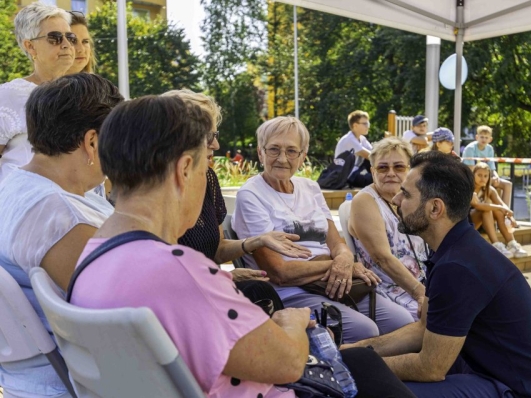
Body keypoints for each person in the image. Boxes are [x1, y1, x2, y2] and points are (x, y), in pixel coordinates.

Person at [70, 96, 417, 398]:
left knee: (363, 358)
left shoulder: (93, 254)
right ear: (184, 170)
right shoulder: (179, 270)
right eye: (206, 164)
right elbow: (288, 362)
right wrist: (291, 321)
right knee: (365, 365)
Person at [342, 151, 531, 398]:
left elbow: (431, 368)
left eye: (406, 194)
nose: (395, 199)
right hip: (492, 377)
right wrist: (354, 351)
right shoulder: (458, 249)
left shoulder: (458, 267)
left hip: (516, 391)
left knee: (375, 390)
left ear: (435, 208)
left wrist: (355, 366)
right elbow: (422, 330)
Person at [233, 116, 415, 343]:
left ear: (302, 156)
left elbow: (337, 243)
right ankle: (345, 377)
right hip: (292, 293)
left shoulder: (310, 188)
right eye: (273, 150)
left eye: (291, 151)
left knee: (403, 321)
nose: (282, 158)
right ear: (260, 153)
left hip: (332, 284)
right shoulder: (251, 195)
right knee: (364, 330)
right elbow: (279, 272)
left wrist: (344, 259)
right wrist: (336, 264)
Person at [0, 74, 123, 398]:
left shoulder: (18, 187)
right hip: (75, 384)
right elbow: (128, 301)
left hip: (39, 381)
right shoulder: (56, 214)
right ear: (93, 142)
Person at [162, 89, 312, 307]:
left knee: (260, 291)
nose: (216, 145)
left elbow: (216, 248)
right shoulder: (156, 190)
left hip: (207, 286)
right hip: (184, 300)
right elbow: (167, 275)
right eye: (210, 136)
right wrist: (224, 277)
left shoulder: (207, 179)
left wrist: (257, 241)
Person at [348, 137, 428, 320]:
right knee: (436, 320)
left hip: (421, 284)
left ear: (410, 170)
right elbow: (382, 258)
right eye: (383, 168)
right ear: (372, 171)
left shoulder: (412, 198)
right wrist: (420, 293)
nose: (390, 173)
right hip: (387, 290)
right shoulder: (365, 201)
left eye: (399, 167)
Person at [0, 3, 76, 183]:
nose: (66, 45)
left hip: (74, 205)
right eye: (55, 38)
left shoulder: (81, 94)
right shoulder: (9, 95)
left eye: (70, 37)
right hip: (23, 204)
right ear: (30, 46)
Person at [470, 162, 527, 259]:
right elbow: (478, 206)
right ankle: (496, 245)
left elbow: (502, 205)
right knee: (488, 209)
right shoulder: (469, 189)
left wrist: (511, 217)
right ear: (473, 175)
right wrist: (500, 208)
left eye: (485, 176)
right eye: (479, 175)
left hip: (485, 223)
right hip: (469, 223)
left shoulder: (490, 190)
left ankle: (512, 244)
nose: (482, 178)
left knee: (498, 210)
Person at [462, 125, 513, 207]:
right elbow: (470, 170)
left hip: (484, 177)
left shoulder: (490, 149)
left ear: (490, 139)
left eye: (486, 137)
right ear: (477, 137)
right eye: (482, 137)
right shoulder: (470, 149)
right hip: (471, 178)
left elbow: (491, 168)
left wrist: (496, 177)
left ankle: (505, 212)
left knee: (507, 184)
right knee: (491, 188)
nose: (484, 139)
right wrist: (486, 179)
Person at [334, 110, 373, 188]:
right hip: (348, 175)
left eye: (368, 123)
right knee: (378, 180)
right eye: (365, 124)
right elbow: (370, 156)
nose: (368, 126)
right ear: (355, 125)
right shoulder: (349, 139)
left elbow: (375, 152)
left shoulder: (362, 139)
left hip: (357, 171)